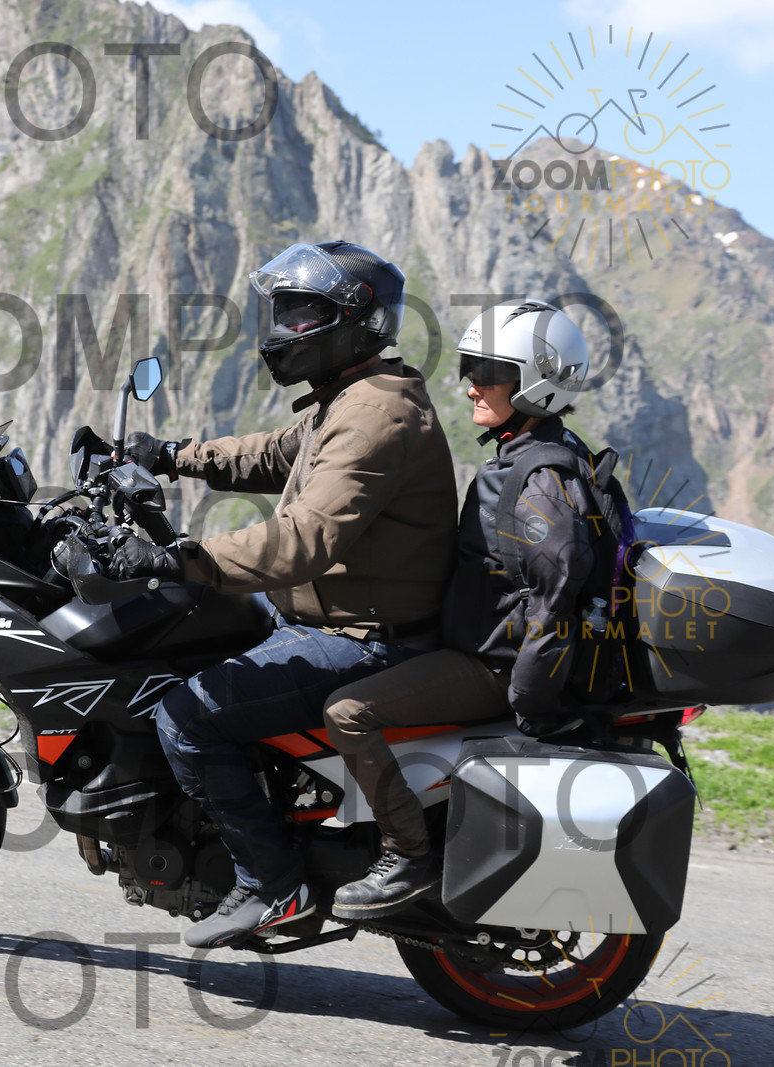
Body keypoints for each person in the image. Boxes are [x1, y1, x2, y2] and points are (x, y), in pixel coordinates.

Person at [108, 241, 460, 948]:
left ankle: (272, 884)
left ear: (353, 322)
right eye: (284, 312)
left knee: (187, 716)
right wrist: (173, 456)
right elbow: (275, 453)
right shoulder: (352, 398)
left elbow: (304, 540)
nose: (284, 329)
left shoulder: (374, 416)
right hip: (327, 612)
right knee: (190, 639)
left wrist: (182, 558)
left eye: (301, 314)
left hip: (363, 637)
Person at [324, 298, 601, 920]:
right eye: (469, 366)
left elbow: (556, 593)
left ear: (538, 383)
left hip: (495, 666)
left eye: (489, 371)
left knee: (348, 713)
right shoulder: (529, 454)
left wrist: (530, 699)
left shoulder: (541, 479)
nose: (471, 383)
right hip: (483, 646)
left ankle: (407, 855)